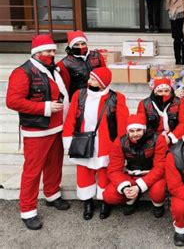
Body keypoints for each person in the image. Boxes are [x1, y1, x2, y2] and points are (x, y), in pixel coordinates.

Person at [6, 34, 70, 230]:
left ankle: (52, 194)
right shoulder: (22, 72)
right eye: (47, 51)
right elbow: (13, 101)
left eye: (53, 50)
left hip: (57, 126)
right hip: (37, 129)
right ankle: (28, 210)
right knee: (32, 171)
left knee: (54, 163)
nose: (51, 54)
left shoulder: (53, 68)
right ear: (36, 52)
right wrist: (45, 108)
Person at [62, 67, 129, 220]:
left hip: (106, 142)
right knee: (84, 172)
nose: (88, 81)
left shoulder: (117, 98)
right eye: (90, 78)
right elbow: (71, 118)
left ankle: (105, 201)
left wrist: (120, 145)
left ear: (101, 83)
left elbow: (122, 124)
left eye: (93, 79)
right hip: (83, 140)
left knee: (105, 172)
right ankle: (87, 202)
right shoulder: (79, 95)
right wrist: (68, 138)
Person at [102, 114, 168, 217]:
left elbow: (161, 167)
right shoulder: (120, 142)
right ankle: (131, 198)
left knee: (158, 192)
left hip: (153, 174)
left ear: (144, 130)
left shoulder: (158, 139)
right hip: (131, 174)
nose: (135, 134)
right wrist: (125, 187)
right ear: (127, 131)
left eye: (138, 130)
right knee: (109, 196)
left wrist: (139, 186)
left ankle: (158, 205)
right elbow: (114, 169)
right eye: (132, 131)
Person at [136, 78, 184, 142]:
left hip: (174, 137)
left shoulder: (179, 102)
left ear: (170, 91)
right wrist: (155, 138)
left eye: (166, 91)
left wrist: (171, 137)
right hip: (152, 138)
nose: (163, 93)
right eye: (160, 91)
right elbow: (142, 124)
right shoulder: (144, 104)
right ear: (155, 92)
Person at [57, 30, 106, 99]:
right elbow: (64, 86)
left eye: (83, 44)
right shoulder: (64, 64)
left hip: (98, 95)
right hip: (79, 98)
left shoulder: (97, 56)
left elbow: (104, 75)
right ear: (71, 46)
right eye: (77, 44)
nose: (81, 47)